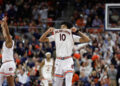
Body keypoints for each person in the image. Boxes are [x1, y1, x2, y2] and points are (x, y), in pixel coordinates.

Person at [39, 22, 90, 86]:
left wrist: (77, 31)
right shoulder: (56, 35)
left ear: (68, 28)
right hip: (58, 61)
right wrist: (47, 31)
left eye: (63, 26)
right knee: (57, 84)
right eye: (61, 27)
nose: (61, 28)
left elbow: (87, 39)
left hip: (68, 60)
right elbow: (41, 39)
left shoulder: (72, 36)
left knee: (68, 83)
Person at [0, 17, 16, 86]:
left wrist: (5, 24)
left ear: (11, 36)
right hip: (4, 64)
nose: (6, 36)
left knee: (11, 84)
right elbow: (5, 33)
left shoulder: (10, 42)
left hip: (9, 63)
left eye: (8, 35)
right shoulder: (6, 41)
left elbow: (7, 32)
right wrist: (2, 26)